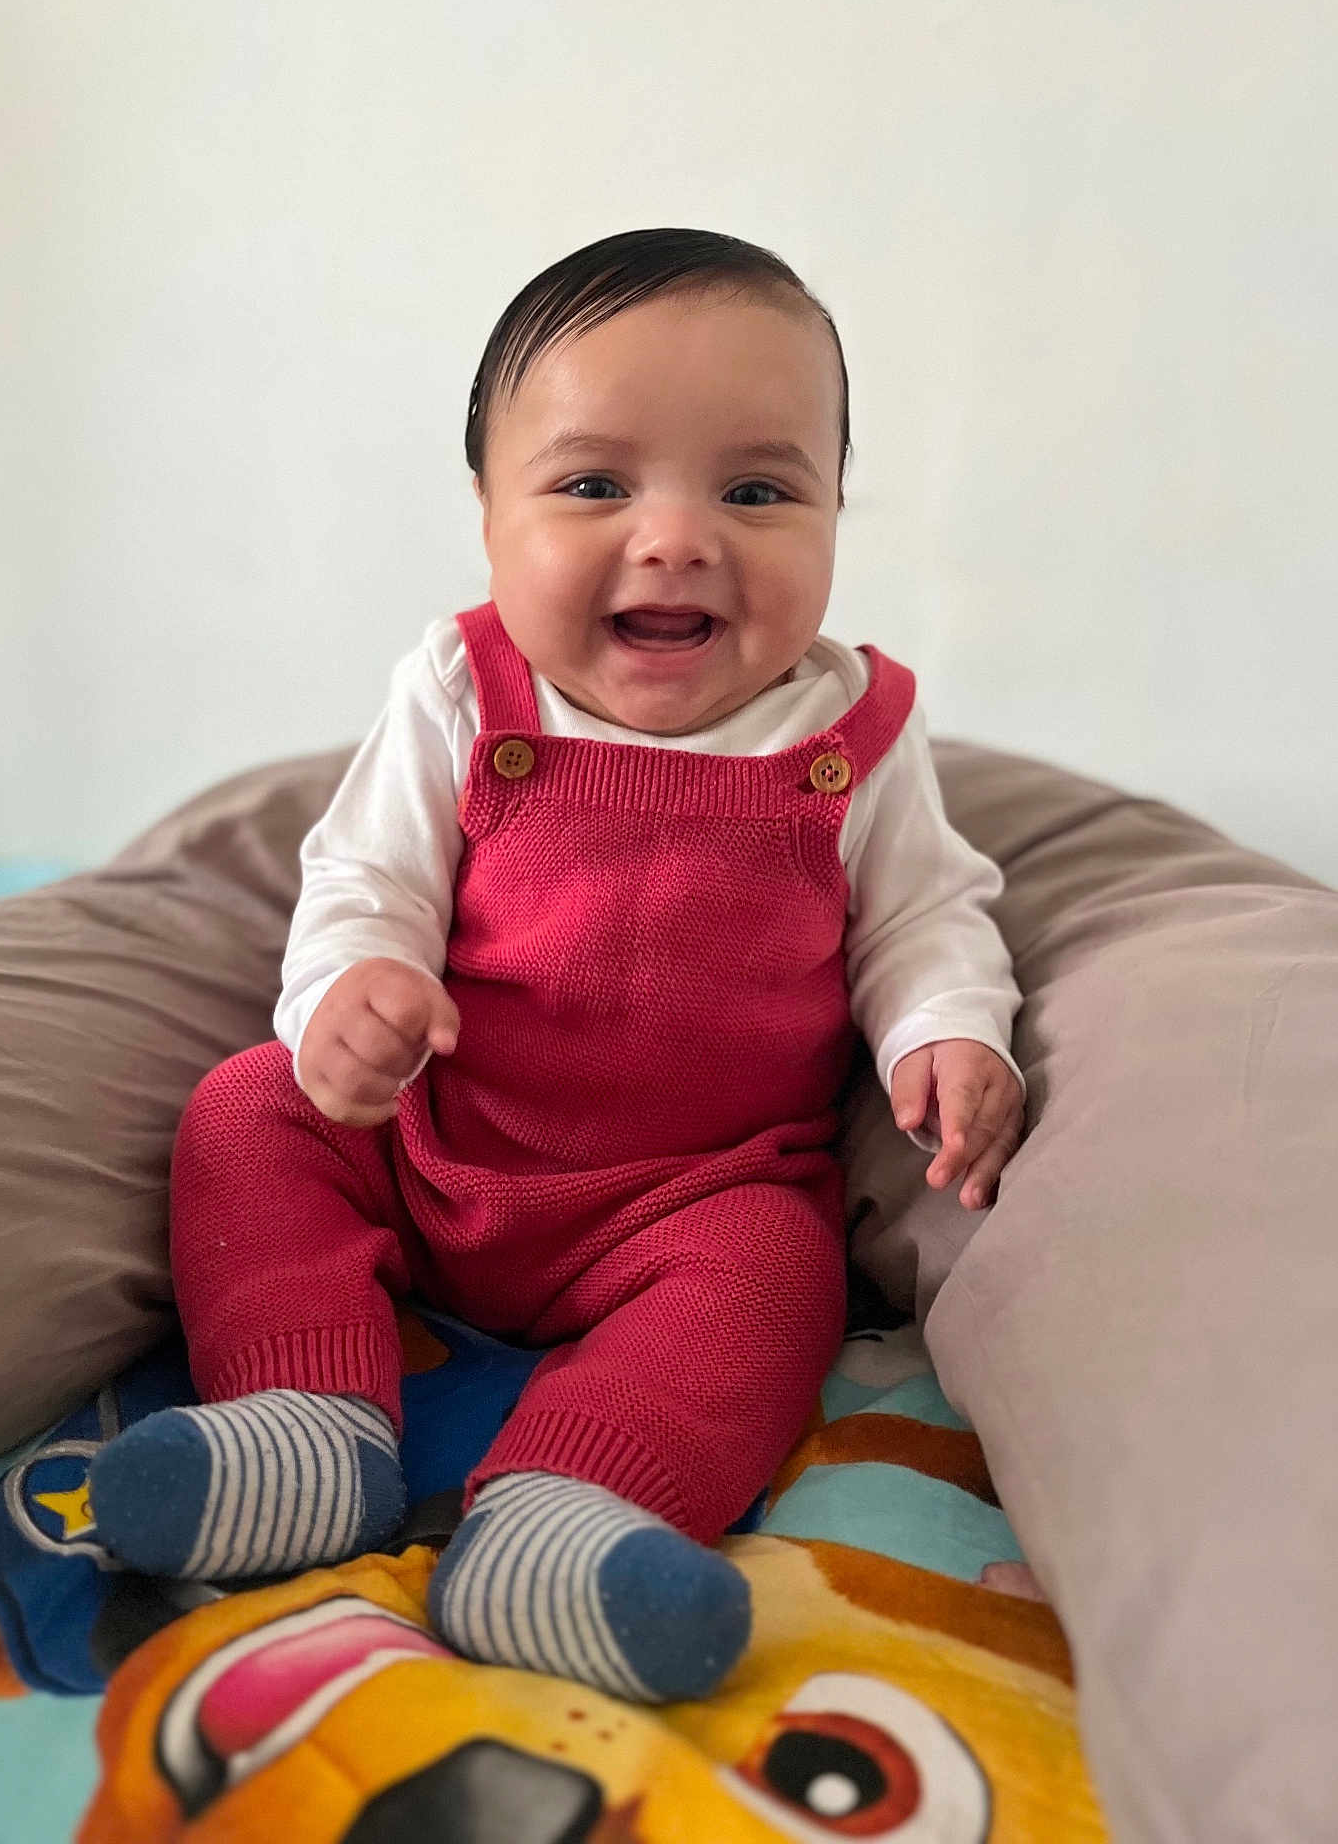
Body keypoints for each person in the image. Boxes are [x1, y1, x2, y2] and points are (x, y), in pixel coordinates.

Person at [88, 227, 1026, 1704]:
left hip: (693, 1196)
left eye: (759, 489)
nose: (676, 537)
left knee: (783, 1278)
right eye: (594, 485)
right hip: (433, 1140)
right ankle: (309, 1421)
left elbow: (926, 920)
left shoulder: (851, 736)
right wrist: (353, 995)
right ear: (485, 513)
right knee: (248, 1110)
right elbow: (364, 875)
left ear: (840, 511)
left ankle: (563, 1520)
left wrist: (945, 1035)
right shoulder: (462, 688)